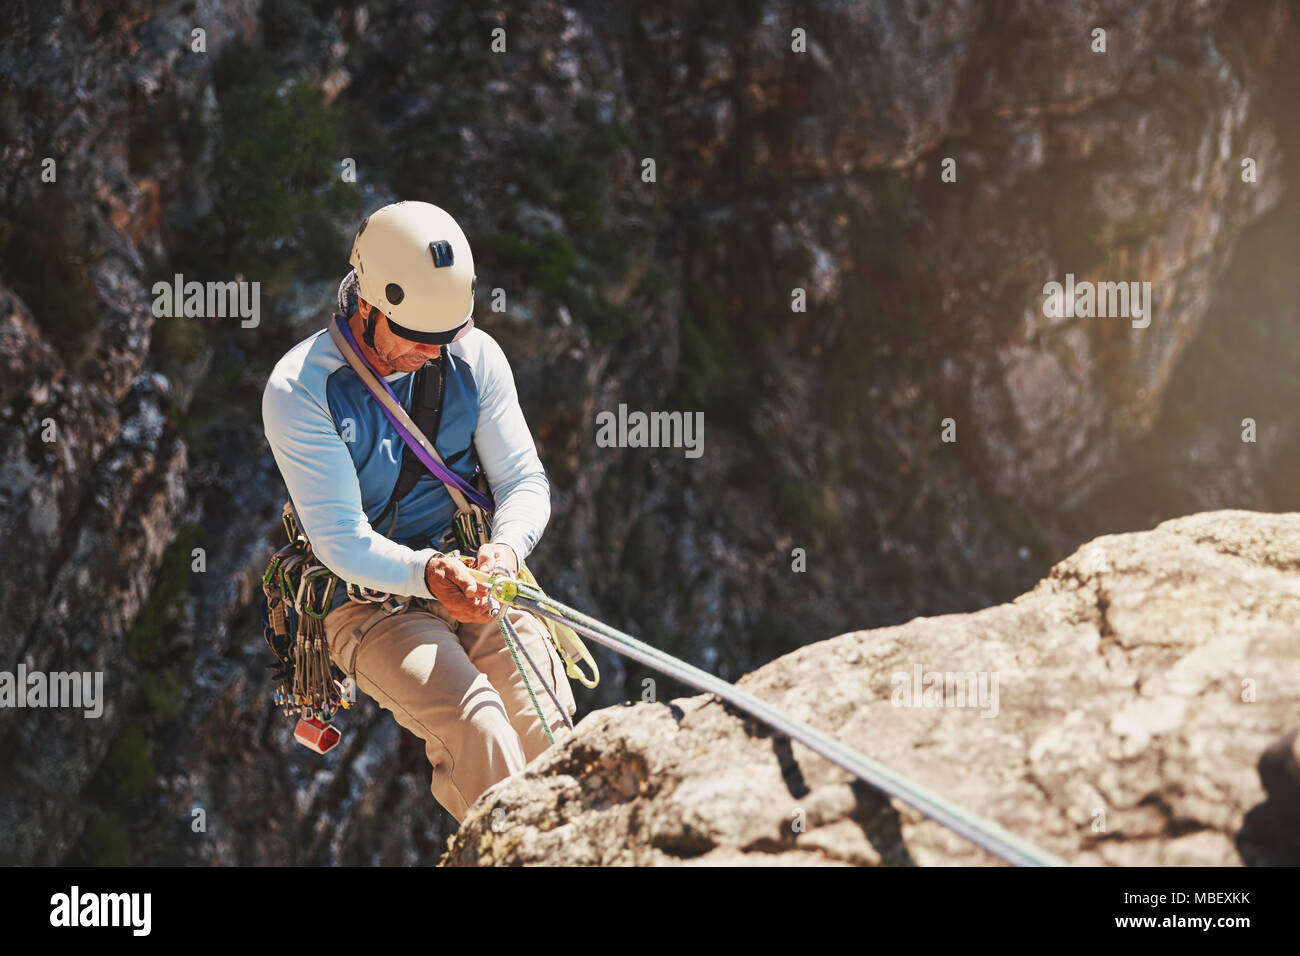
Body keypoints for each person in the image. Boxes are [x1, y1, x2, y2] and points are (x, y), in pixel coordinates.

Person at [261, 200, 575, 821]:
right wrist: (429, 575)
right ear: (368, 305)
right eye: (419, 338)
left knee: (546, 722)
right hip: (364, 598)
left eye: (446, 337)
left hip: (478, 573)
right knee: (478, 726)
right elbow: (342, 541)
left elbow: (523, 480)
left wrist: (506, 550)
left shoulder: (475, 358)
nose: (434, 355)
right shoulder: (301, 389)